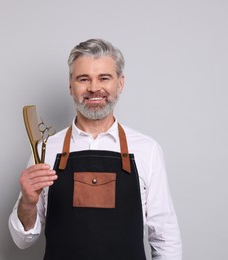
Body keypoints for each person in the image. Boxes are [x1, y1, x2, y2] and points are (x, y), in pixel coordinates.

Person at [9, 39, 182, 259]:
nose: (93, 88)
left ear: (120, 83)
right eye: (83, 79)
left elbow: (165, 236)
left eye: (104, 78)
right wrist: (27, 202)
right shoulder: (44, 150)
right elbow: (22, 240)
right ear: (71, 86)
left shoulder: (147, 150)